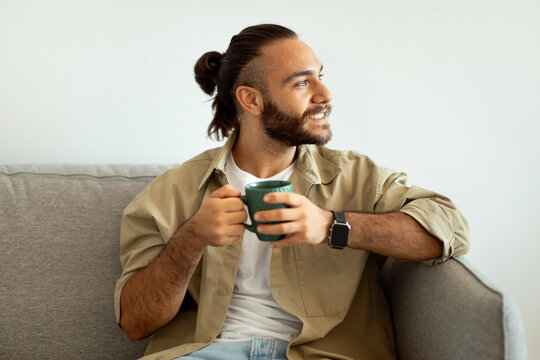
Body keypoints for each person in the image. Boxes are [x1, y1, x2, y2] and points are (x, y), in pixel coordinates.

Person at [114, 24, 470, 360]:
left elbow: (450, 227)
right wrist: (190, 239)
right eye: (302, 83)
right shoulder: (171, 192)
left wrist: (333, 226)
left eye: (320, 76)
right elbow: (135, 323)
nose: (325, 95)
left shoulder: (356, 177)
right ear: (251, 100)